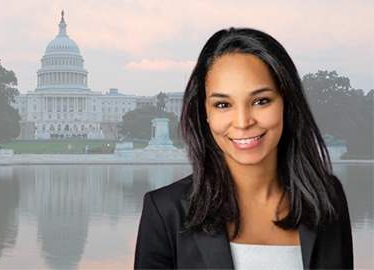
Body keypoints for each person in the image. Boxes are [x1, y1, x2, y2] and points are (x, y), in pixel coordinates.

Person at [134, 28, 353, 269]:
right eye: (223, 104)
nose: (242, 122)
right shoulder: (165, 212)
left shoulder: (327, 197)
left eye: (261, 101)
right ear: (204, 113)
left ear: (287, 103)